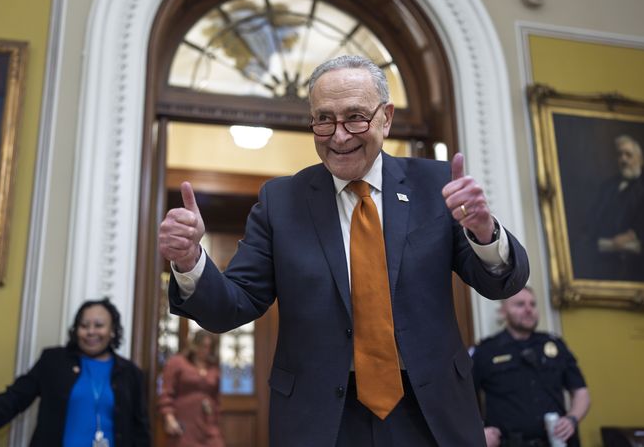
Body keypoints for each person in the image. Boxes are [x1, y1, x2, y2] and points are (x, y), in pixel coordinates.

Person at [158, 55, 530, 446]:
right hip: (322, 418)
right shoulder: (281, 201)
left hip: (429, 409)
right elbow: (232, 305)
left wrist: (485, 233)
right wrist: (188, 261)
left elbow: (501, 285)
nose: (338, 136)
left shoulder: (434, 185)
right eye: (324, 119)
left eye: (355, 117)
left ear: (386, 117)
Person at [0, 298, 151, 447]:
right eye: (84, 325)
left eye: (99, 325)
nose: (91, 332)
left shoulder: (130, 373)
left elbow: (140, 429)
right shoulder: (53, 361)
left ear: (112, 330)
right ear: (76, 330)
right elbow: (14, 398)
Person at [472, 287, 590, 447]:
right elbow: (462, 398)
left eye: (533, 304)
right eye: (520, 304)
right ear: (503, 312)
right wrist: (477, 433)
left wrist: (572, 419)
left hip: (557, 442)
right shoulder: (485, 351)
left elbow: (581, 391)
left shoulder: (554, 344)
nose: (529, 309)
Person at [573, 134, 644, 283]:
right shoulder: (607, 189)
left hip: (642, 266)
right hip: (606, 261)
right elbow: (592, 223)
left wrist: (634, 235)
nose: (624, 159)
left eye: (628, 155)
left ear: (640, 160)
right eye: (620, 155)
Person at [159, 329, 225, 447]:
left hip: (207, 423)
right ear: (194, 345)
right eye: (203, 346)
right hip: (184, 423)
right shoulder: (177, 362)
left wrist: (215, 418)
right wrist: (169, 417)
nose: (206, 350)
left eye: (210, 347)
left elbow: (216, 398)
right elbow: (166, 392)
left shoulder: (213, 368)